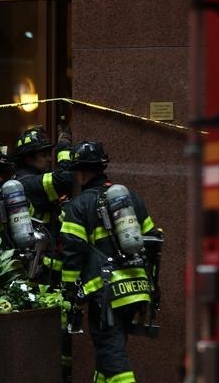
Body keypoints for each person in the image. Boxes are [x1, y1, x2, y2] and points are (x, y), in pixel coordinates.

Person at [59, 141, 160, 383]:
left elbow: (73, 254)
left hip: (105, 293)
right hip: (137, 289)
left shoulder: (79, 206)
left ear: (81, 173)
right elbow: (153, 242)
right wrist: (153, 286)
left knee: (111, 350)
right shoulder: (132, 199)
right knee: (109, 350)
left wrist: (69, 294)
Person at [10, 125, 73, 287]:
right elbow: (64, 179)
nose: (49, 159)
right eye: (44, 155)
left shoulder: (25, 179)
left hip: (44, 265)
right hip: (40, 270)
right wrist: (64, 147)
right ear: (28, 158)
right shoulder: (30, 182)